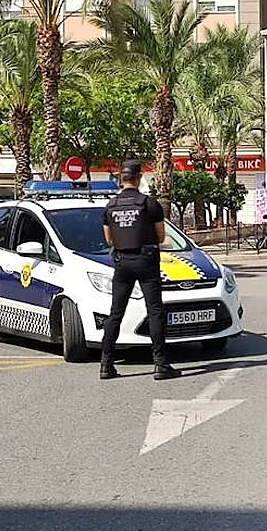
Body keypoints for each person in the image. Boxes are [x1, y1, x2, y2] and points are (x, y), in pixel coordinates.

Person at [100, 160, 181, 381]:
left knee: (115, 313)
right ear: (139, 177)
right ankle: (160, 364)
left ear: (121, 178)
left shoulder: (110, 205)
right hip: (146, 261)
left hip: (122, 262)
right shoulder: (149, 204)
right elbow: (161, 236)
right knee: (155, 311)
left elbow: (109, 239)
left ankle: (106, 365)